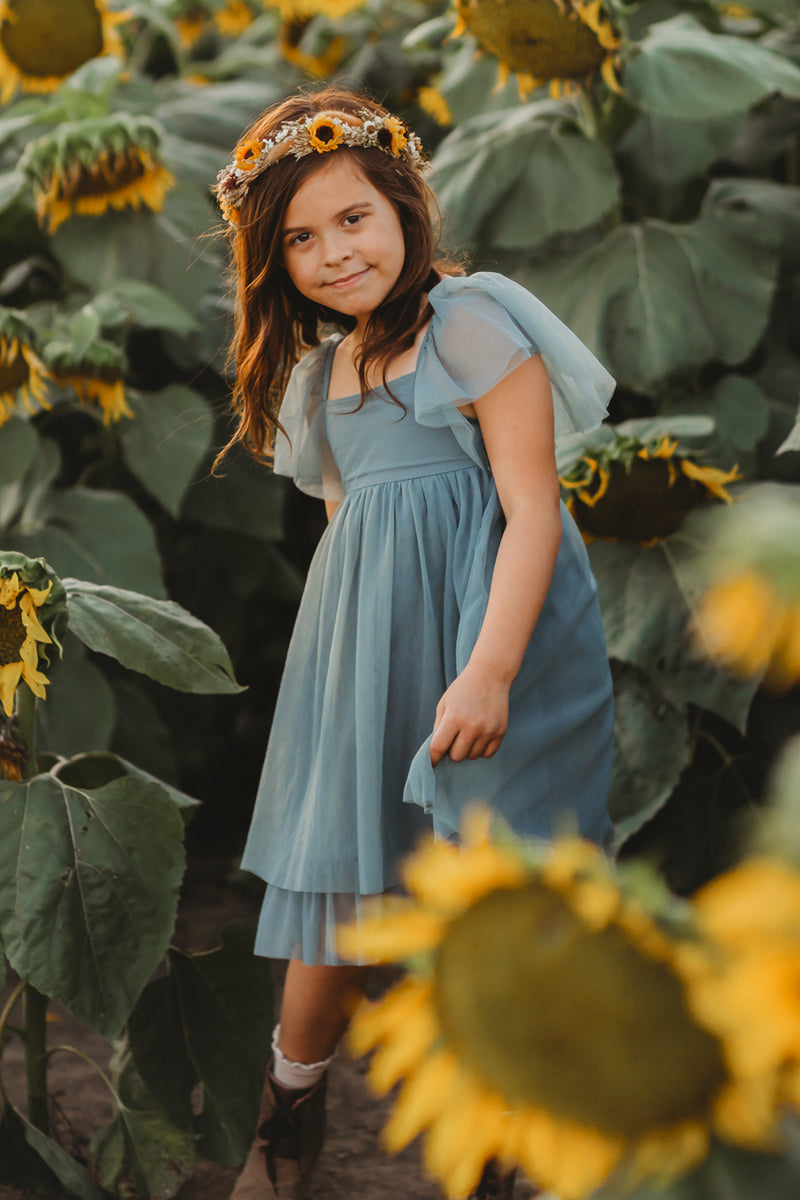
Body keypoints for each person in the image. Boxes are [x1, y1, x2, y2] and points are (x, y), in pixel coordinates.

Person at [213, 85, 615, 1200]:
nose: (332, 253)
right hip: (369, 650)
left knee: (496, 879)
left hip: (496, 641)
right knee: (340, 886)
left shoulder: (473, 323)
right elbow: (351, 531)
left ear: (402, 207)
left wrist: (485, 670)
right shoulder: (324, 378)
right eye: (298, 238)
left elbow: (529, 506)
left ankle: (504, 1140)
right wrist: (346, 690)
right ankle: (284, 1122)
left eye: (352, 219)